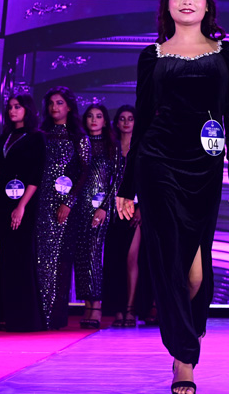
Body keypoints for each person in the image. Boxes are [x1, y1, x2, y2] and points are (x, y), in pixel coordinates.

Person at [116, 0, 229, 394]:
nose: (187, 0)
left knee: (195, 275)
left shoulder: (227, 54)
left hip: (204, 166)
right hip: (157, 163)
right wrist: (127, 186)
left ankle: (188, 334)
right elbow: (142, 120)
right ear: (167, 4)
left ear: (207, 4)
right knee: (167, 260)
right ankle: (184, 359)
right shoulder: (151, 56)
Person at [35, 86, 90, 330]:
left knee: (60, 259)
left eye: (59, 103)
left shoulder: (79, 137)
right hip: (41, 203)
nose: (54, 107)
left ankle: (55, 317)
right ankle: (38, 314)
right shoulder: (41, 135)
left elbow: (85, 173)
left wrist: (68, 203)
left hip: (66, 206)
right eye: (51, 103)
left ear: (69, 106)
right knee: (40, 257)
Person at [0, 94, 45, 332]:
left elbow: (36, 174)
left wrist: (21, 206)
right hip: (4, 202)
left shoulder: (36, 137)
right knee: (6, 256)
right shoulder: (5, 136)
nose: (12, 111)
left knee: (22, 255)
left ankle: (24, 317)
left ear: (27, 110)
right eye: (10, 107)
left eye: (17, 107)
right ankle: (5, 315)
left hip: (25, 203)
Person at [103, 105, 149, 328]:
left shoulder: (143, 147)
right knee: (115, 260)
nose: (126, 122)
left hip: (135, 208)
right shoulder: (110, 148)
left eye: (130, 118)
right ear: (117, 122)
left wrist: (142, 209)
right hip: (112, 209)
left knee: (132, 258)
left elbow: (148, 180)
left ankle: (130, 309)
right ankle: (118, 309)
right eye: (122, 118)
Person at [75, 104, 118, 329]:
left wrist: (104, 207)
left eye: (99, 116)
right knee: (82, 255)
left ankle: (97, 306)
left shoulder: (112, 146)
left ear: (105, 120)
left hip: (101, 207)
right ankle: (87, 304)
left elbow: (117, 180)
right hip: (79, 206)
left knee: (95, 254)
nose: (94, 120)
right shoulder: (80, 143)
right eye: (90, 116)